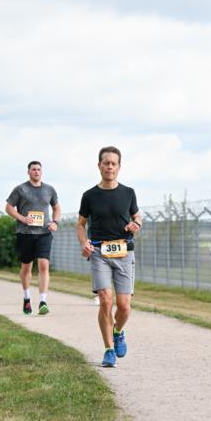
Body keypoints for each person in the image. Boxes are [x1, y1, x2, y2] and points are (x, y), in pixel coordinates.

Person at [76, 146, 141, 368]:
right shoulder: (89, 196)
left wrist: (136, 224)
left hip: (124, 252)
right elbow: (81, 225)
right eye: (106, 163)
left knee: (124, 307)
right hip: (99, 252)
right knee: (105, 299)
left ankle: (118, 331)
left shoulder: (128, 192)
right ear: (99, 166)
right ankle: (109, 349)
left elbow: (137, 216)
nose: (110, 167)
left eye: (114, 163)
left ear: (119, 167)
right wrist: (84, 242)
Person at [5, 161, 60, 315]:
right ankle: (27, 297)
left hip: (44, 233)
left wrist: (55, 222)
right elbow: (8, 207)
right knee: (26, 267)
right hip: (25, 233)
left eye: (38, 169)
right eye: (33, 169)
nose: (36, 172)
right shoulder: (20, 189)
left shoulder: (49, 189)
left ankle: (43, 301)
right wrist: (22, 218)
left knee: (43, 265)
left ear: (42, 172)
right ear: (28, 172)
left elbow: (56, 207)